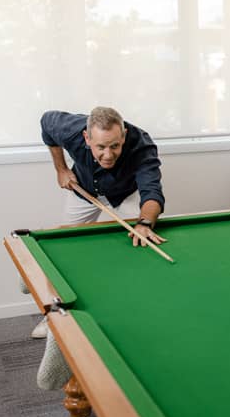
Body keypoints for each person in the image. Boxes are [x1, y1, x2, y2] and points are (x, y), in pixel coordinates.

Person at [29, 106, 166, 390]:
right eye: (101, 146)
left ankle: (135, 314)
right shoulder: (68, 128)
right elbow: (45, 123)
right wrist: (61, 169)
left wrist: (144, 222)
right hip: (83, 191)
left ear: (124, 136)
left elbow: (152, 192)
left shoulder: (141, 145)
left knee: (135, 248)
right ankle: (54, 317)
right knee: (63, 250)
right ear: (86, 138)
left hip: (125, 195)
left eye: (115, 146)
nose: (108, 154)